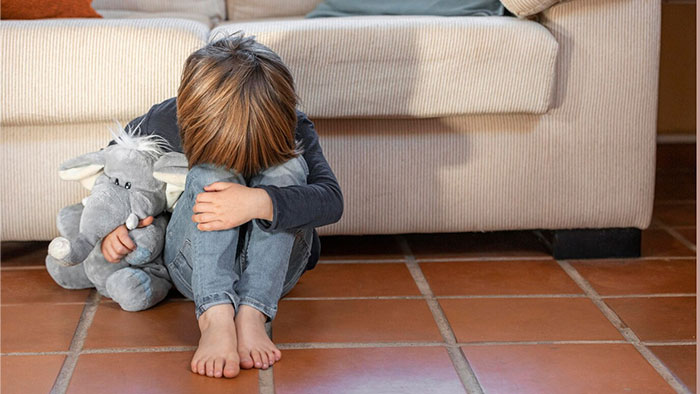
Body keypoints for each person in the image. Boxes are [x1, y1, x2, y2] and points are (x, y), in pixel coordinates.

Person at [99, 31, 343, 379]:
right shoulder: (169, 119)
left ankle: (253, 312)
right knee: (210, 172)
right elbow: (118, 165)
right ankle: (214, 316)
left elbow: (332, 201)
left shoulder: (294, 125)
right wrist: (114, 225)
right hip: (195, 267)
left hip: (276, 274)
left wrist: (259, 202)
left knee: (288, 167)